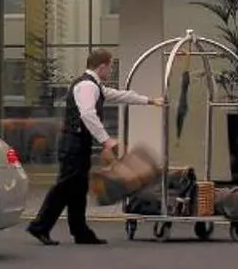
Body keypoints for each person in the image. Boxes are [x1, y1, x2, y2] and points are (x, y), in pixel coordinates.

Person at [26, 48, 158, 246]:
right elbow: (87, 114)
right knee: (64, 187)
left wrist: (148, 101)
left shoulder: (94, 85)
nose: (111, 71)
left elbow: (118, 95)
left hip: (78, 142)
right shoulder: (88, 86)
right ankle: (40, 226)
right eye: (111, 66)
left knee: (77, 189)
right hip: (74, 143)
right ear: (102, 66)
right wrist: (106, 140)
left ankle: (80, 232)